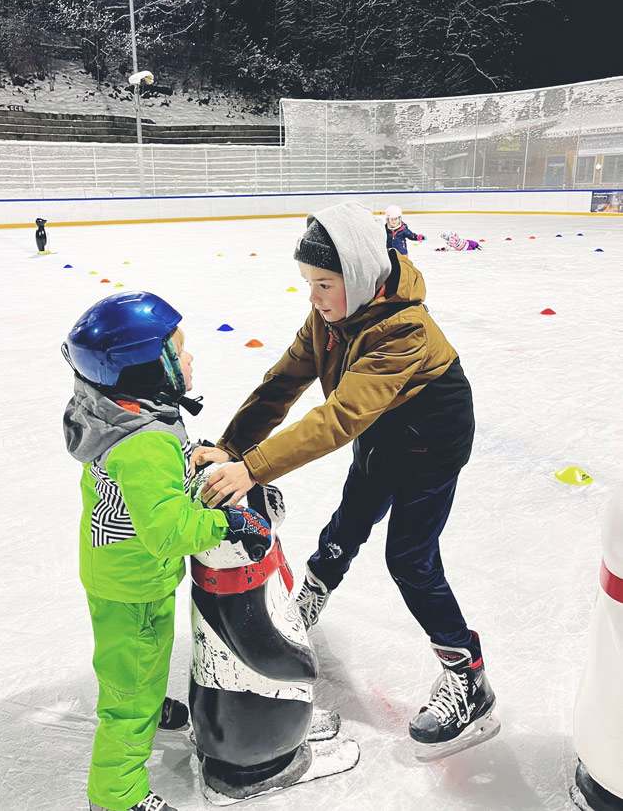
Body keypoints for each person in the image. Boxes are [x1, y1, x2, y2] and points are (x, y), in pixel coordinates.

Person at [193, 202, 497, 760]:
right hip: (383, 432)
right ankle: (314, 593)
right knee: (350, 520)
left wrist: (252, 468)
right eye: (308, 282)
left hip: (433, 442)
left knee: (410, 558)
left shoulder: (404, 329)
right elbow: (283, 382)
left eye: (324, 283)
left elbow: (338, 417)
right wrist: (233, 446)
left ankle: (468, 675)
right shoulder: (331, 316)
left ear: (356, 277)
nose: (313, 297)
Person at [62, 291, 272, 811]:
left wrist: (186, 458)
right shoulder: (145, 443)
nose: (190, 358)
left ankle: (149, 703)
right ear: (143, 369)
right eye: (178, 352)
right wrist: (227, 523)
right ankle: (116, 796)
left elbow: (148, 489)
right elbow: (169, 531)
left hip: (124, 572)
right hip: (134, 582)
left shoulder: (120, 412)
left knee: (141, 664)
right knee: (129, 696)